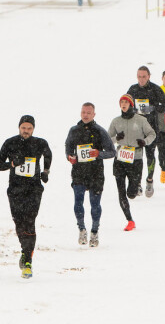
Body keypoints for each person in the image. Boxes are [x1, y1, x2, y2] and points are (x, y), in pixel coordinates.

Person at [0, 115, 52, 278]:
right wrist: (12, 164)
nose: (26, 131)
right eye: (23, 128)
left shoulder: (40, 143)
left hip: (34, 189)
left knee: (30, 221)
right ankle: (25, 250)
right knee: (19, 223)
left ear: (33, 129)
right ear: (19, 127)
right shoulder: (10, 143)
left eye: (29, 128)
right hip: (15, 190)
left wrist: (45, 172)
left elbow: (48, 155)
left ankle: (28, 261)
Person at [64, 103, 116, 247]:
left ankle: (94, 231)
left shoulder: (100, 131)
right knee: (78, 202)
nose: (85, 115)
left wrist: (99, 154)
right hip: (79, 172)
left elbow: (112, 151)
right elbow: (67, 148)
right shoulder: (74, 130)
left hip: (95, 173)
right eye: (83, 112)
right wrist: (70, 157)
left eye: (88, 112)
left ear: (94, 114)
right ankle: (81, 229)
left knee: (95, 205)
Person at [108, 95, 156, 231]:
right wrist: (116, 138)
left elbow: (152, 134)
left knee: (131, 193)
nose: (123, 104)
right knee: (121, 192)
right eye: (121, 102)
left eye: (126, 102)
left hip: (136, 159)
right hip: (120, 159)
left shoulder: (141, 120)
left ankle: (137, 187)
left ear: (130, 104)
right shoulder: (116, 121)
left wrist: (144, 142)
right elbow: (107, 140)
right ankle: (130, 220)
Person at [126, 66, 165, 197]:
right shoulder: (132, 89)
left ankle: (149, 180)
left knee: (150, 155)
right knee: (136, 158)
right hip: (136, 129)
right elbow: (124, 105)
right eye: (139, 76)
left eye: (144, 76)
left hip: (151, 129)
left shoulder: (155, 89)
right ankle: (137, 183)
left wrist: (154, 108)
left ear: (149, 76)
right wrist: (132, 111)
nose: (141, 79)